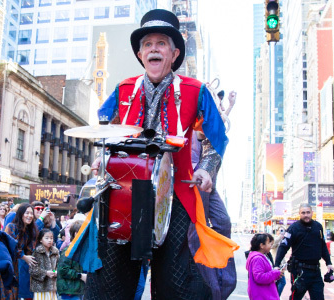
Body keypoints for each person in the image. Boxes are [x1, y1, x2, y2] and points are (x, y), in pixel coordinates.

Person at [89, 9, 232, 299]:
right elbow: (104, 127)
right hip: (123, 191)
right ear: (141, 54)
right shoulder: (123, 89)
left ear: (174, 53)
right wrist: (102, 157)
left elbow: (217, 141)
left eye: (161, 43)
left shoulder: (197, 90)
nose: (154, 48)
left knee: (176, 282)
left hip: (176, 194)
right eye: (148, 44)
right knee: (111, 280)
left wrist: (206, 168)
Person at [187, 88, 237, 300]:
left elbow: (218, 125)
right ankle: (207, 278)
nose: (220, 105)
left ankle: (220, 276)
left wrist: (231, 107)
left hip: (211, 182)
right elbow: (207, 127)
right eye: (217, 102)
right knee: (196, 231)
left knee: (223, 222)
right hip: (198, 181)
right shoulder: (198, 126)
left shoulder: (214, 125)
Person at [274, 204, 333, 300]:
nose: (306, 215)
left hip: (315, 271)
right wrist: (276, 264)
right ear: (299, 214)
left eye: (308, 212)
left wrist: (329, 263)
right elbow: (283, 247)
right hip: (299, 271)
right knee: (295, 297)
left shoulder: (318, 227)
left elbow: (323, 246)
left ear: (312, 213)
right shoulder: (293, 228)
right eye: (303, 213)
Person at [5, 203, 39, 300]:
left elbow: (30, 249)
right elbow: (10, 246)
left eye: (31, 213)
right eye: (27, 213)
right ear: (20, 214)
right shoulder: (11, 226)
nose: (29, 216)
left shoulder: (31, 230)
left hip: (23, 267)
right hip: (12, 264)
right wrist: (23, 256)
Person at [246, 233, 282, 300]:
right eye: (269, 243)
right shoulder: (258, 258)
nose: (271, 246)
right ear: (262, 245)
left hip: (263, 294)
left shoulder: (260, 256)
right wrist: (275, 273)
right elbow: (259, 277)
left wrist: (276, 273)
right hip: (263, 295)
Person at [57, 221, 86, 300]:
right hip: (69, 291)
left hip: (78, 290)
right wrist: (80, 275)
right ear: (76, 233)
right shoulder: (69, 250)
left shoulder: (82, 249)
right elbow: (62, 270)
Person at [30, 229, 59, 300]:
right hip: (40, 287)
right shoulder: (37, 252)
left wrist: (56, 272)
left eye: (51, 238)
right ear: (40, 240)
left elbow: (58, 266)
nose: (49, 240)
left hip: (52, 286)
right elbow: (32, 270)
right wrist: (45, 273)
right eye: (47, 238)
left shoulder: (55, 252)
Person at [271, 227, 286, 296]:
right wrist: (280, 236)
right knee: (282, 282)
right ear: (277, 231)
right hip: (276, 264)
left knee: (277, 282)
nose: (282, 232)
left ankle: (275, 295)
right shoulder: (276, 239)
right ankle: (276, 296)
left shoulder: (284, 240)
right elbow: (273, 245)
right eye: (280, 230)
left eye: (283, 230)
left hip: (281, 265)